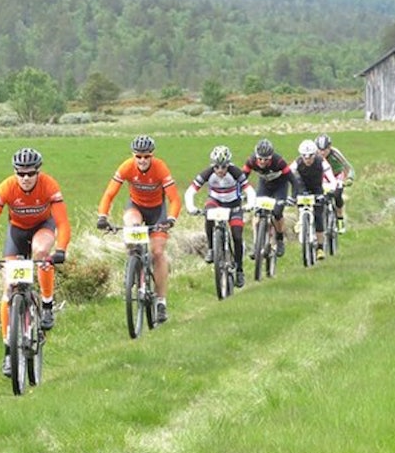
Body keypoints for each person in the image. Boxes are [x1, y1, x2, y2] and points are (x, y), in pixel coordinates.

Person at [0, 147, 71, 377]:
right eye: (21, 173)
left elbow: (63, 223)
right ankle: (9, 351)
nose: (25, 178)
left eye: (30, 173)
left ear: (38, 172)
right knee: (8, 289)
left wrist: (61, 250)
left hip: (42, 229)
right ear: (15, 173)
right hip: (16, 234)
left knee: (40, 251)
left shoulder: (49, 185)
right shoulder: (6, 188)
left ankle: (47, 305)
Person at [96, 135, 183, 323]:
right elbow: (109, 193)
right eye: (139, 156)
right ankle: (134, 265)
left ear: (152, 156)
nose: (142, 160)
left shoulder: (160, 168)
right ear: (133, 156)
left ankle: (161, 301)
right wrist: (102, 216)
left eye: (146, 156)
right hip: (136, 206)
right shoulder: (127, 167)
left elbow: (174, 199)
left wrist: (170, 219)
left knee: (158, 252)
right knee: (131, 225)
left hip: (157, 211)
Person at [184, 144, 255, 289]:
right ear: (213, 165)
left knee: (237, 236)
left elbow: (249, 190)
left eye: (224, 167)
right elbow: (190, 191)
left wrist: (250, 204)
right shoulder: (208, 173)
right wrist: (191, 207)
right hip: (215, 202)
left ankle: (240, 269)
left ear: (228, 165)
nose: (220, 170)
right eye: (217, 167)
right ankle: (211, 248)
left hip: (234, 204)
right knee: (208, 214)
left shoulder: (235, 172)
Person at [240, 138, 294, 258]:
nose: (262, 162)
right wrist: (238, 194)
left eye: (266, 159)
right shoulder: (251, 161)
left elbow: (292, 179)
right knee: (257, 214)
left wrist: (294, 196)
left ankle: (279, 240)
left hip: (280, 186)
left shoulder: (279, 161)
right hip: (264, 185)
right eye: (260, 159)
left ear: (271, 157)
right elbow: (241, 179)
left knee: (277, 212)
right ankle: (256, 245)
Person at [289, 138, 339, 260]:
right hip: (302, 186)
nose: (307, 159)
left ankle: (320, 248)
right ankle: (301, 221)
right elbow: (287, 175)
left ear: (314, 154)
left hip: (317, 188)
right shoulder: (297, 163)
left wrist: (332, 188)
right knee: (299, 202)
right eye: (304, 157)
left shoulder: (321, 162)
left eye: (310, 156)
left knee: (318, 216)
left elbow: (331, 178)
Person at [315, 133, 355, 233]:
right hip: (324, 176)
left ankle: (340, 221)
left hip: (337, 175)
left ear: (330, 147)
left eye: (325, 150)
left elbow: (348, 167)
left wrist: (349, 178)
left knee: (337, 194)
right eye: (320, 150)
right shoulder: (314, 155)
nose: (322, 153)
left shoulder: (335, 153)